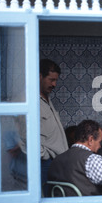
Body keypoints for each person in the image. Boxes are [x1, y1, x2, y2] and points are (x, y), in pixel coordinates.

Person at [47, 119, 102, 196]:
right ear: (91, 140)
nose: (99, 146)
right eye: (99, 142)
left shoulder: (56, 160)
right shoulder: (91, 160)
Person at [39, 59, 69, 193]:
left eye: (56, 80)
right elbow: (25, 136)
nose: (54, 84)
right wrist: (45, 156)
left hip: (55, 163)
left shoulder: (47, 99)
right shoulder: (30, 101)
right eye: (51, 80)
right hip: (45, 163)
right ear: (39, 76)